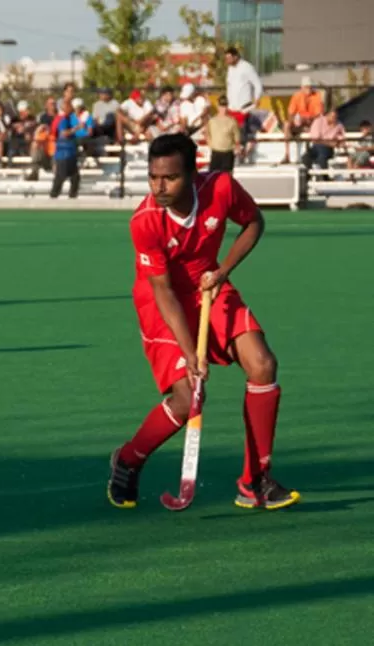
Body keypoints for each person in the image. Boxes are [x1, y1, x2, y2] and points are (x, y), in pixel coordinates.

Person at [108, 133, 299, 511]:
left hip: (210, 286)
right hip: (161, 302)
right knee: (186, 399)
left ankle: (255, 480)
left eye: (170, 178)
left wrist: (224, 270)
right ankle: (129, 458)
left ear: (192, 173)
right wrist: (187, 352)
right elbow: (162, 291)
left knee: (263, 364)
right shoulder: (145, 222)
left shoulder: (221, 188)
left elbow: (253, 223)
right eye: (153, 177)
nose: (159, 187)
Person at [204, 96, 242, 173]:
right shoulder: (212, 121)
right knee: (213, 177)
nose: (223, 108)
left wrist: (237, 147)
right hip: (216, 153)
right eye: (221, 106)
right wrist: (211, 145)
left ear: (227, 106)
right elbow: (207, 134)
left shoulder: (232, 121)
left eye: (225, 106)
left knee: (227, 178)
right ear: (218, 107)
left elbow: (237, 137)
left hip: (228, 153)